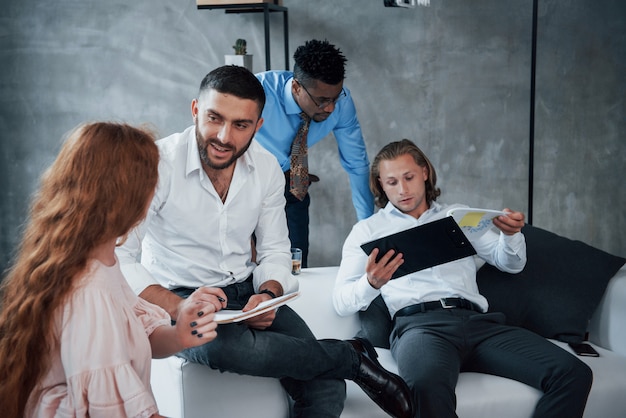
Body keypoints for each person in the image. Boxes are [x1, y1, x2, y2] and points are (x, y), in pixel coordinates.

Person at [115, 65, 413, 418]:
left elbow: (274, 249)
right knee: (220, 350)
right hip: (177, 293)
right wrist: (178, 307)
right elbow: (121, 257)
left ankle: (340, 359)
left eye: (241, 125)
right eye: (214, 118)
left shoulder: (268, 168)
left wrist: (269, 295)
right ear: (195, 110)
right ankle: (349, 356)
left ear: (258, 126)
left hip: (246, 291)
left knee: (325, 386)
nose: (224, 136)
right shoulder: (157, 165)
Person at [333, 139, 593, 418]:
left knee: (573, 373)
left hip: (480, 325)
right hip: (421, 329)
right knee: (424, 386)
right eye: (392, 182)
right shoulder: (368, 231)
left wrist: (511, 235)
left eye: (408, 177)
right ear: (381, 185)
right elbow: (341, 302)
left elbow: (511, 265)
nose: (403, 189)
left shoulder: (458, 216)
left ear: (424, 173)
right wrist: (370, 283)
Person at [0, 122, 219, 418]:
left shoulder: (99, 261)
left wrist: (180, 334)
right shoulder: (89, 292)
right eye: (151, 180)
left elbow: (138, 334)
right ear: (126, 196)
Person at [255, 39, 374, 267]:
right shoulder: (258, 93)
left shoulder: (342, 103)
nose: (330, 108)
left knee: (296, 270)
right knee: (250, 270)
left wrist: (368, 228)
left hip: (293, 187)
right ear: (296, 87)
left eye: (334, 98)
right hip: (250, 186)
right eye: (321, 101)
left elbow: (356, 164)